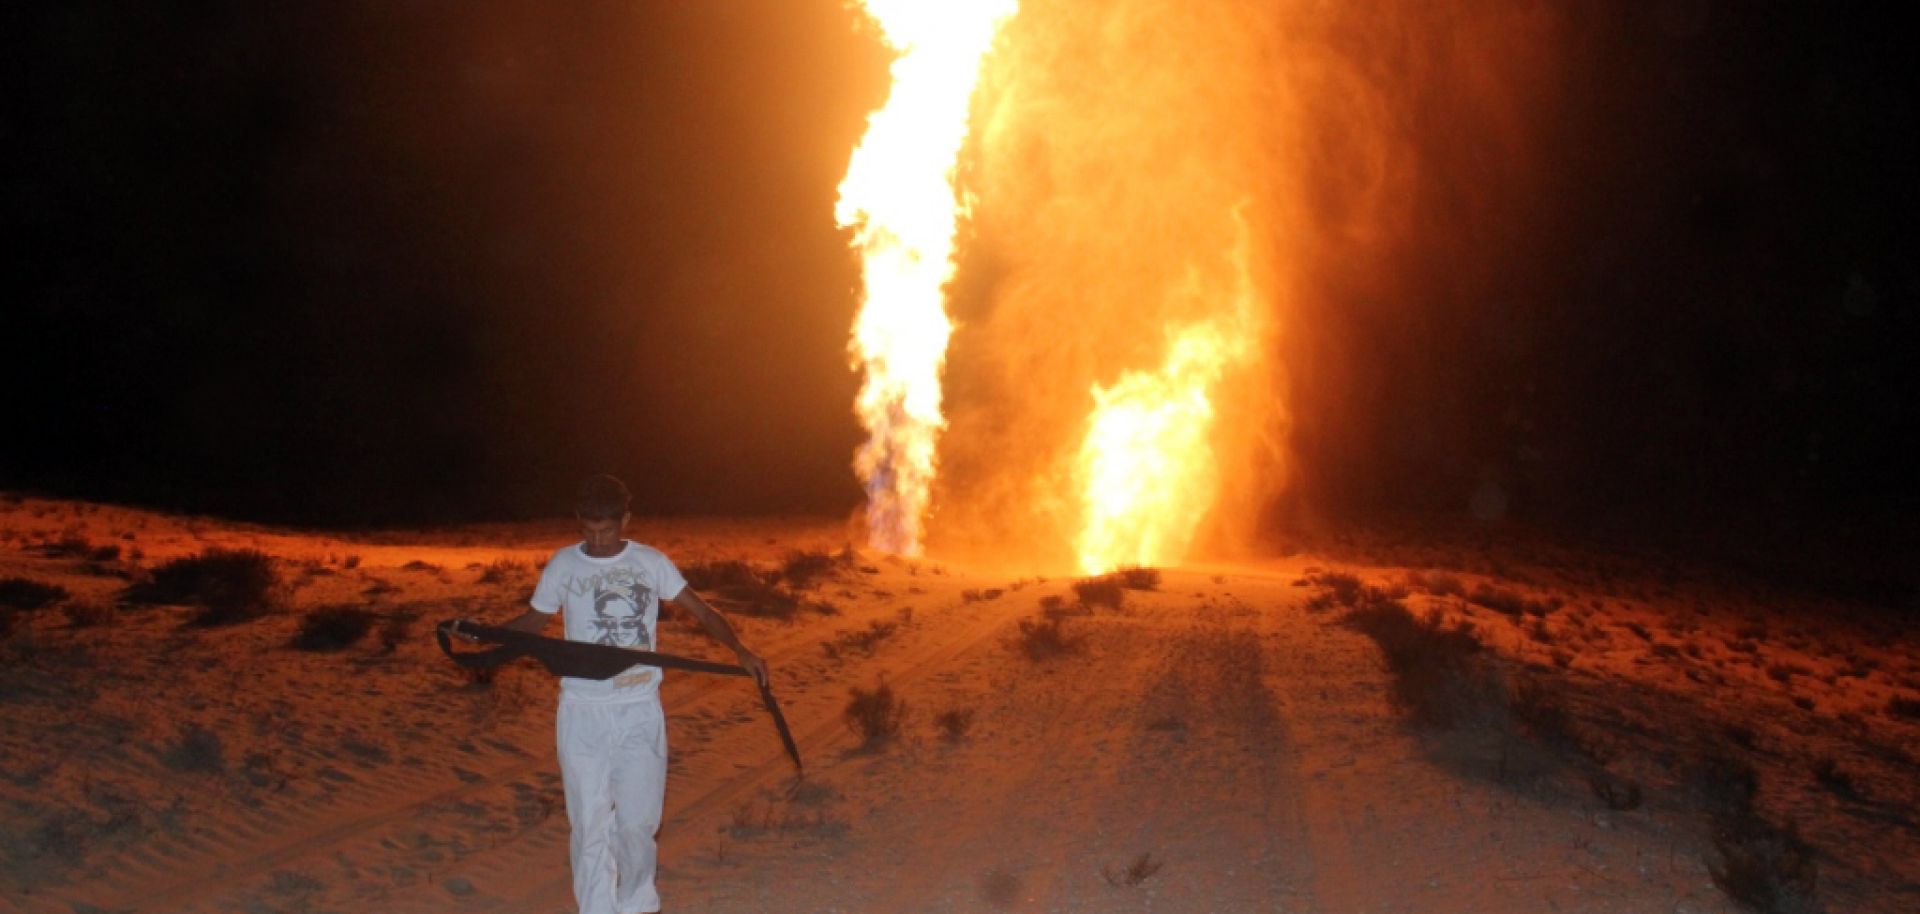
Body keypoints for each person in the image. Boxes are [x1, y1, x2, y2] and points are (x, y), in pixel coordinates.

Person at [457, 474, 767, 914]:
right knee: (588, 823)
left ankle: (637, 906)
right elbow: (533, 623)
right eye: (589, 531)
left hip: (639, 710)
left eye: (608, 531)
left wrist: (741, 650)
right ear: (579, 523)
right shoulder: (564, 565)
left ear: (626, 519)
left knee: (638, 825)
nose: (599, 542)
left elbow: (701, 610)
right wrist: (480, 637)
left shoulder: (651, 562)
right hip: (582, 712)